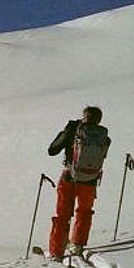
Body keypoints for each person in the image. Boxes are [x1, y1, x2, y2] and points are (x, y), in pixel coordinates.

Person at [46, 106, 111, 259]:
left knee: (62, 215)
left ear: (84, 117)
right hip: (90, 180)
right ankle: (78, 245)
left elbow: (52, 150)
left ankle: (56, 252)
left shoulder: (74, 129)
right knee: (85, 212)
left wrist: (67, 131)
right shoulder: (105, 137)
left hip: (69, 177)